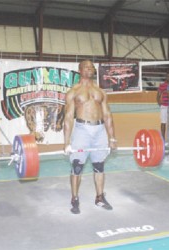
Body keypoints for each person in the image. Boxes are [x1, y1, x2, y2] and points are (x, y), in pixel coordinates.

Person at [63, 60, 117, 214]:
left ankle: (99, 197)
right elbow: (68, 117)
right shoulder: (74, 91)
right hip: (82, 130)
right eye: (86, 67)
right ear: (80, 70)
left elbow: (107, 115)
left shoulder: (101, 92)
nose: (90, 69)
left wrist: (112, 137)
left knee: (99, 165)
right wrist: (66, 142)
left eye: (92, 67)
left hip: (100, 130)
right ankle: (75, 198)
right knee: (77, 166)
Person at [157, 71, 169, 141]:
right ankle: (162, 137)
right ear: (165, 77)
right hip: (164, 106)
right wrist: (159, 103)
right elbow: (158, 95)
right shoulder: (162, 85)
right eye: (167, 76)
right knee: (163, 122)